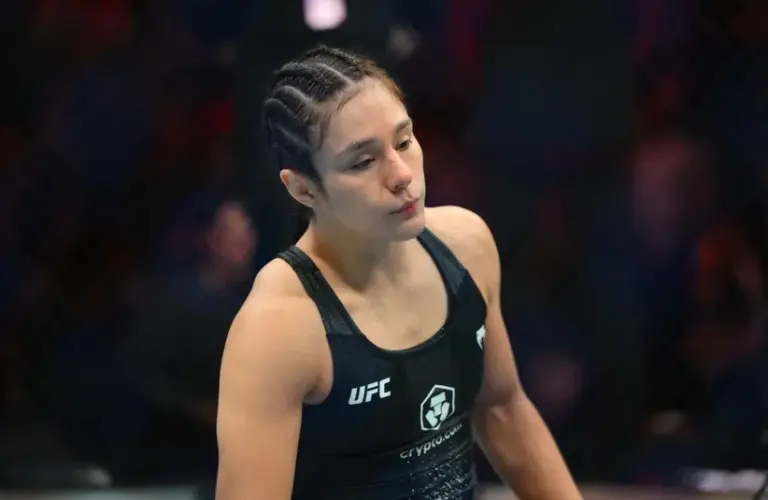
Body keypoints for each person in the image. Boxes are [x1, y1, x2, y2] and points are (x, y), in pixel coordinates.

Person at [215, 45, 581, 499]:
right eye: (363, 161)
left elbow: (502, 409)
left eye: (404, 141)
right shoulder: (280, 328)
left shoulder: (466, 245)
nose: (402, 174)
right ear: (305, 189)